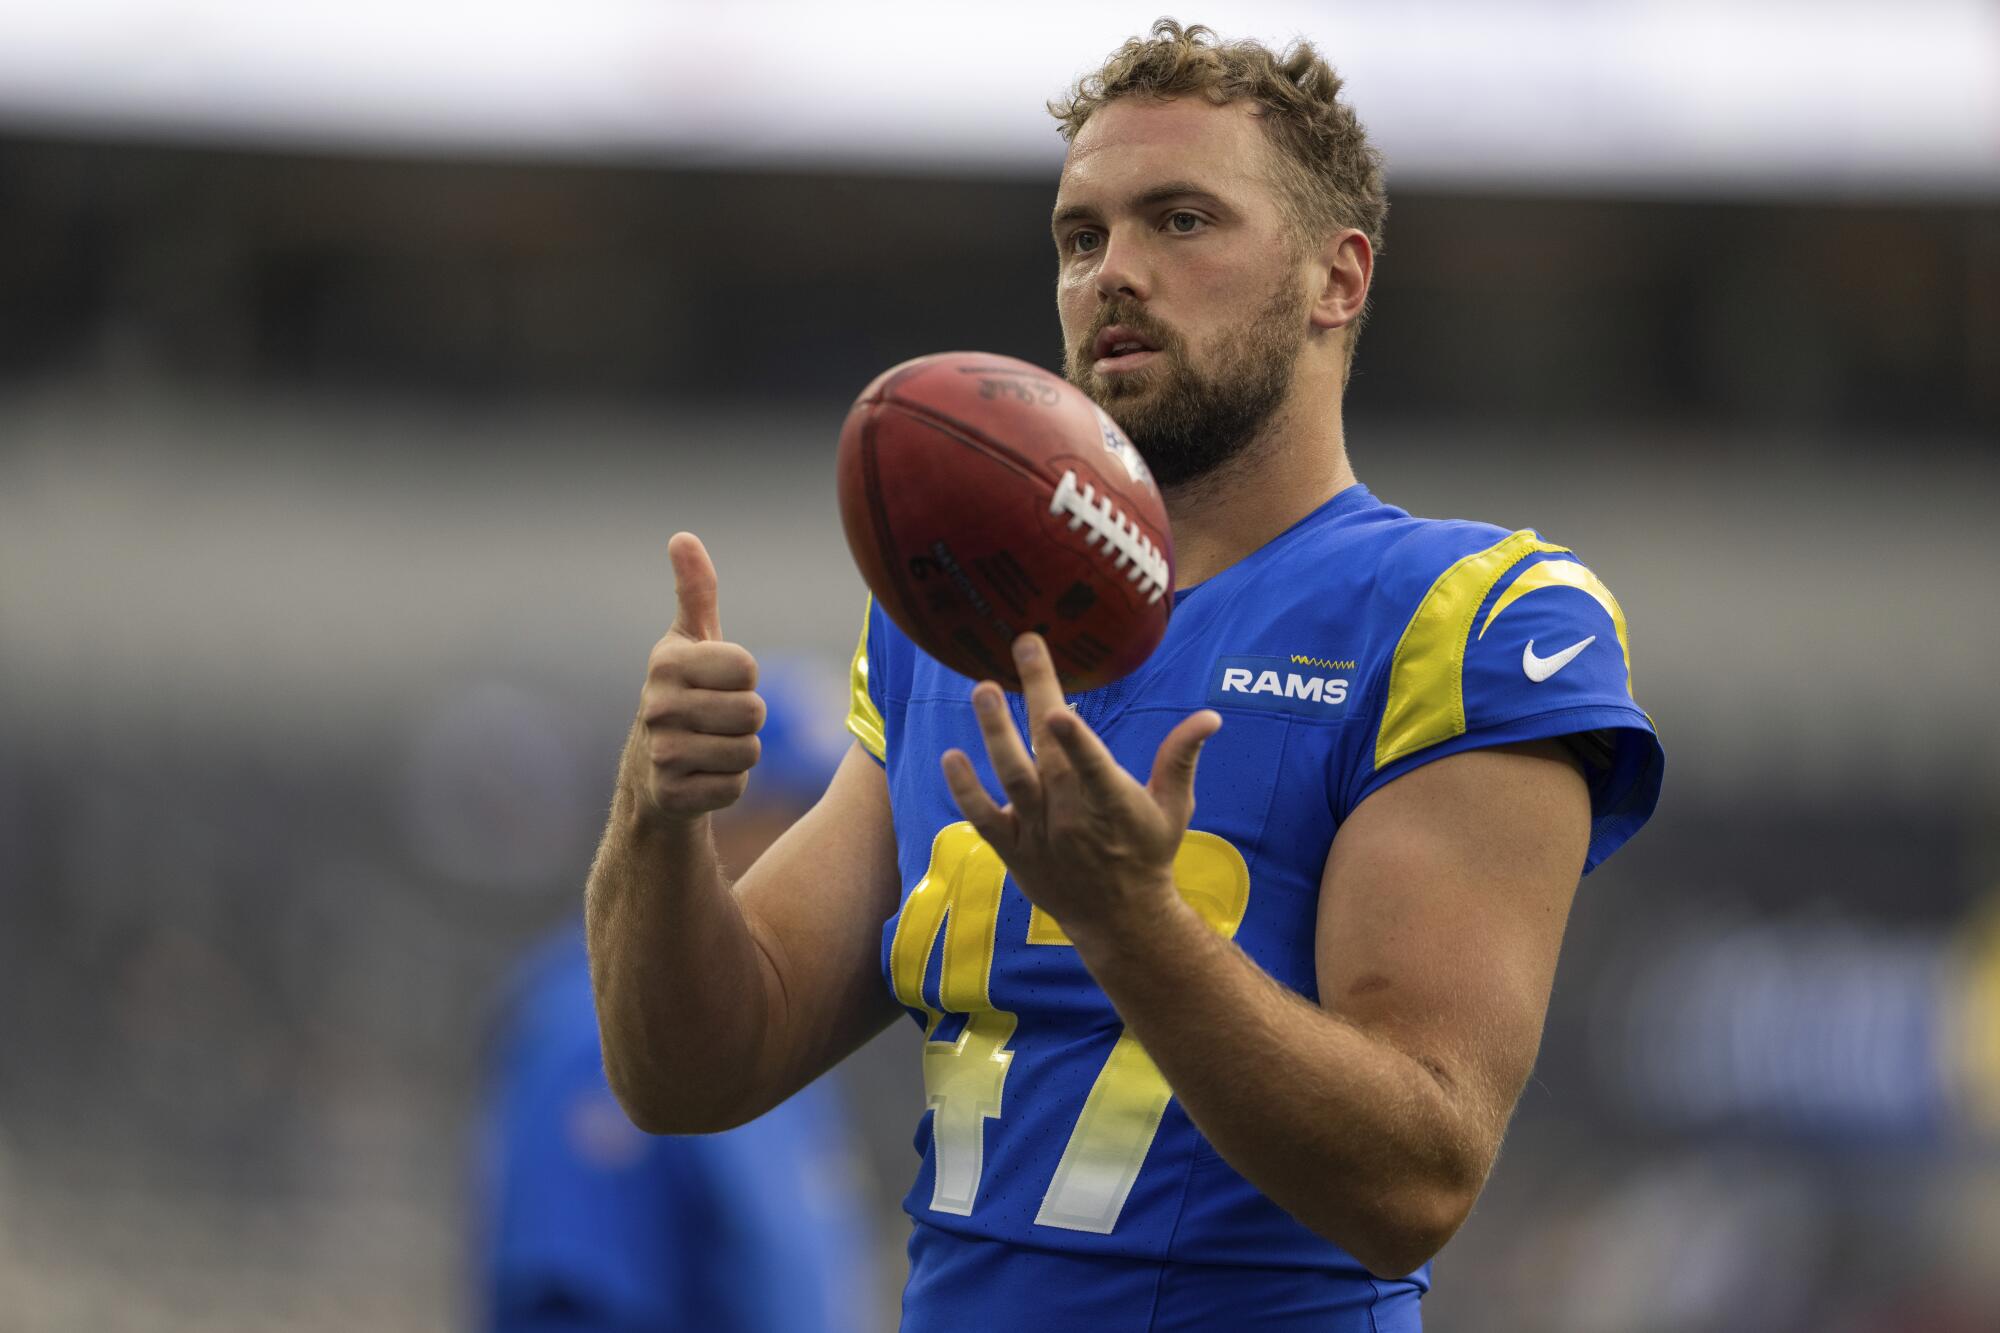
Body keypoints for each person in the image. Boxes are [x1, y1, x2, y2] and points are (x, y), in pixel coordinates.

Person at [586, 20, 1664, 1332]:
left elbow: (1416, 1176)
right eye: (1082, 237)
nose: (1114, 275)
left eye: (1183, 220)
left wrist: (1128, 920)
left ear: (1338, 280)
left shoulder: (1465, 618)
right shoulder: (956, 622)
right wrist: (656, 818)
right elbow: (695, 1068)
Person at [479, 667, 880, 1332]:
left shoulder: (783, 1004)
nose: (837, 858)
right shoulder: (598, 1021)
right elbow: (572, 1297)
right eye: (803, 815)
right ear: (719, 817)